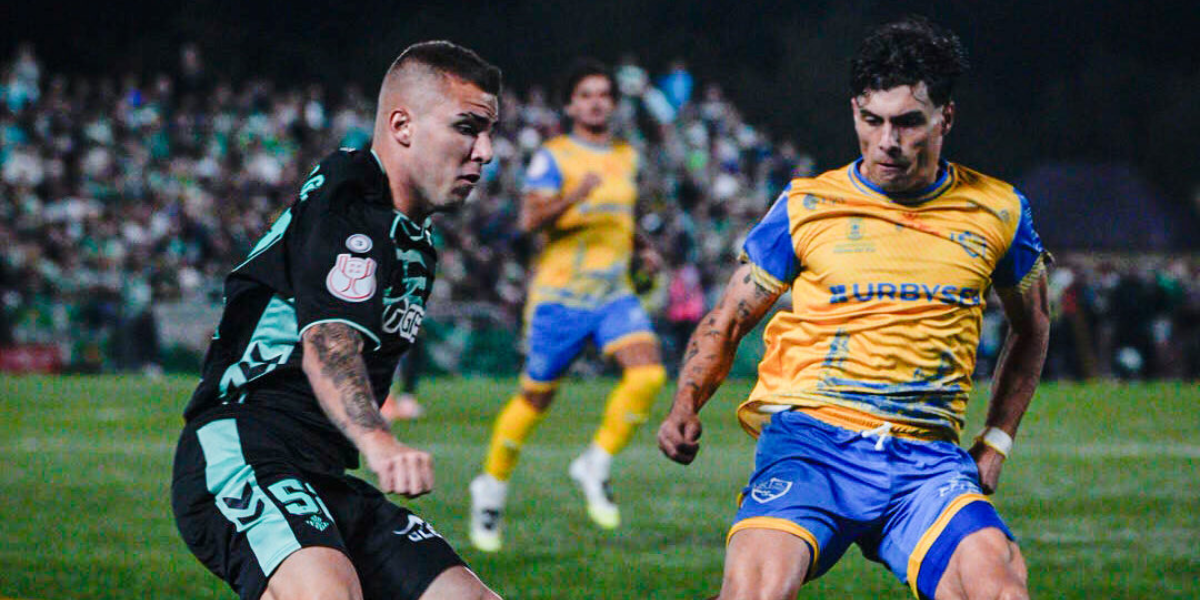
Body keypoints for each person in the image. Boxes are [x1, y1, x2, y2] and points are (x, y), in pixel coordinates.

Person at [657, 18, 1049, 600]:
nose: (887, 141)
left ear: (945, 117)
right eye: (872, 120)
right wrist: (685, 402)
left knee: (1001, 590)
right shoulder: (806, 205)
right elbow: (730, 319)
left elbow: (1033, 326)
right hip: (812, 446)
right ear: (855, 113)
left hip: (927, 462)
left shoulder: (998, 210)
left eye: (908, 122)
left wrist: (996, 441)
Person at [171, 41, 503, 600]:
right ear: (402, 125)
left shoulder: (414, 244)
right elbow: (327, 340)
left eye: (489, 131)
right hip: (245, 449)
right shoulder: (348, 199)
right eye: (468, 128)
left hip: (326, 475)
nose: (486, 151)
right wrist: (379, 442)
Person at [468, 59, 668, 552]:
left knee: (647, 375)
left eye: (604, 94)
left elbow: (621, 215)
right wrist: (573, 197)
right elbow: (529, 220)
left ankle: (595, 463)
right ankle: (490, 488)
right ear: (569, 104)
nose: (596, 102)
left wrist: (642, 245)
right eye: (586, 94)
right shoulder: (553, 156)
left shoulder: (626, 155)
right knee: (535, 399)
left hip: (613, 294)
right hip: (560, 298)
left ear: (613, 104)